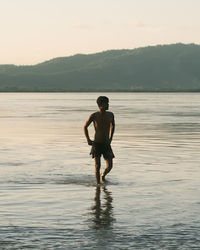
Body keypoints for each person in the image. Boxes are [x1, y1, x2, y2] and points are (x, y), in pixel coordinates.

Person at [83, 96, 115, 184]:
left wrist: (111, 138)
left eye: (108, 103)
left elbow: (113, 126)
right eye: (106, 103)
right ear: (100, 105)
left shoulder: (110, 115)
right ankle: (98, 186)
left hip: (106, 143)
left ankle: (103, 176)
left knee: (110, 166)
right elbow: (85, 127)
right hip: (97, 143)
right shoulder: (94, 115)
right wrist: (88, 139)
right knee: (97, 166)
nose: (108, 105)